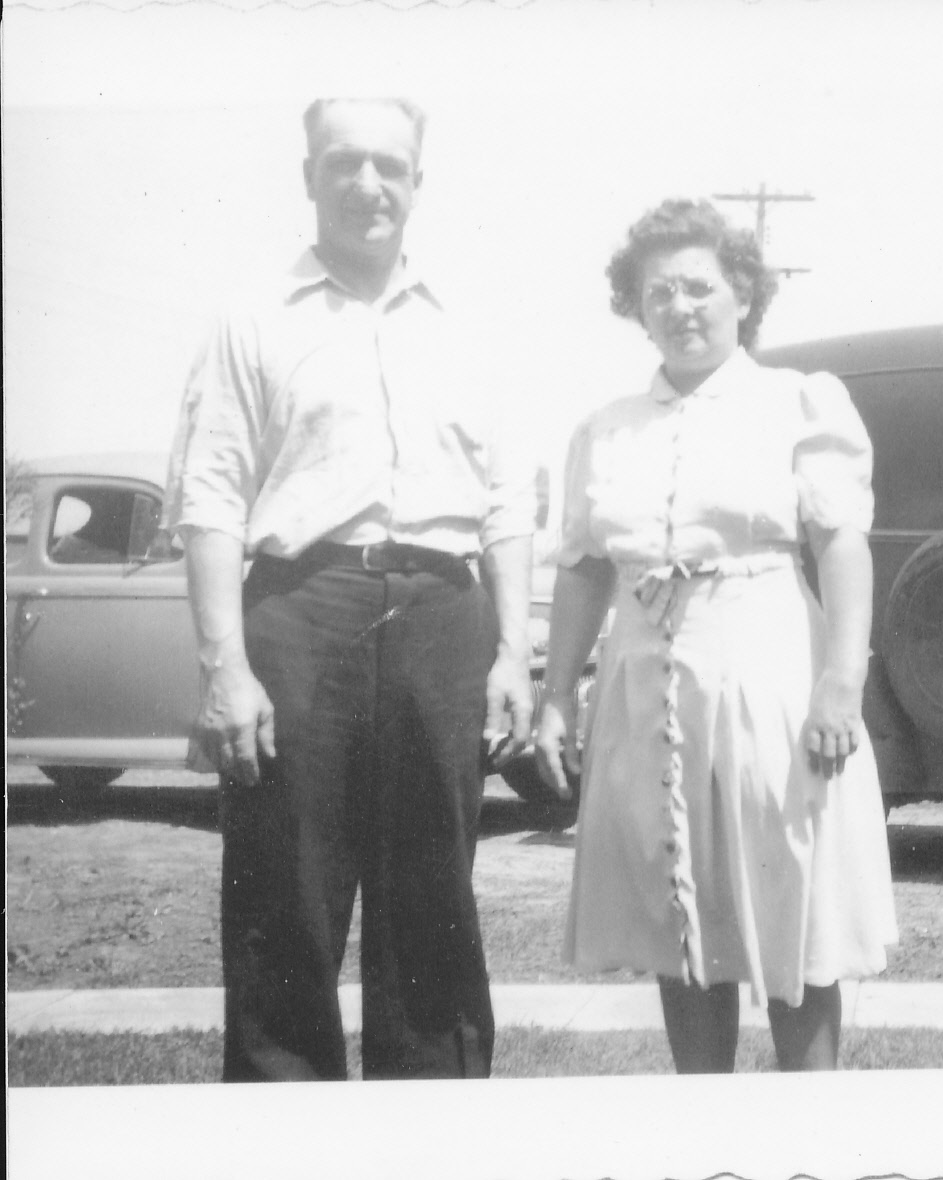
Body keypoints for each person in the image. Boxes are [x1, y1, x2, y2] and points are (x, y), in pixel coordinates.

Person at [163, 97, 536, 1081]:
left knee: (435, 896)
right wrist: (224, 666)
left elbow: (507, 504)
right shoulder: (252, 317)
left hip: (443, 613)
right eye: (345, 163)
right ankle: (287, 1125)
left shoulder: (472, 323)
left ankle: (431, 1128)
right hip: (302, 609)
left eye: (390, 166)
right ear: (309, 177)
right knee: (285, 889)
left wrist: (512, 652)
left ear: (418, 183)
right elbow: (211, 497)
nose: (368, 184)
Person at [534, 198, 896, 1072]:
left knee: (789, 900)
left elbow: (840, 544)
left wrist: (841, 681)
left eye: (699, 287)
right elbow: (582, 568)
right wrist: (557, 697)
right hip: (645, 684)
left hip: (768, 668)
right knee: (678, 906)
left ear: (742, 294)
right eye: (658, 292)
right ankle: (707, 1123)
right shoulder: (605, 427)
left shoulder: (798, 402)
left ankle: (809, 1127)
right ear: (636, 307)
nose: (680, 307)